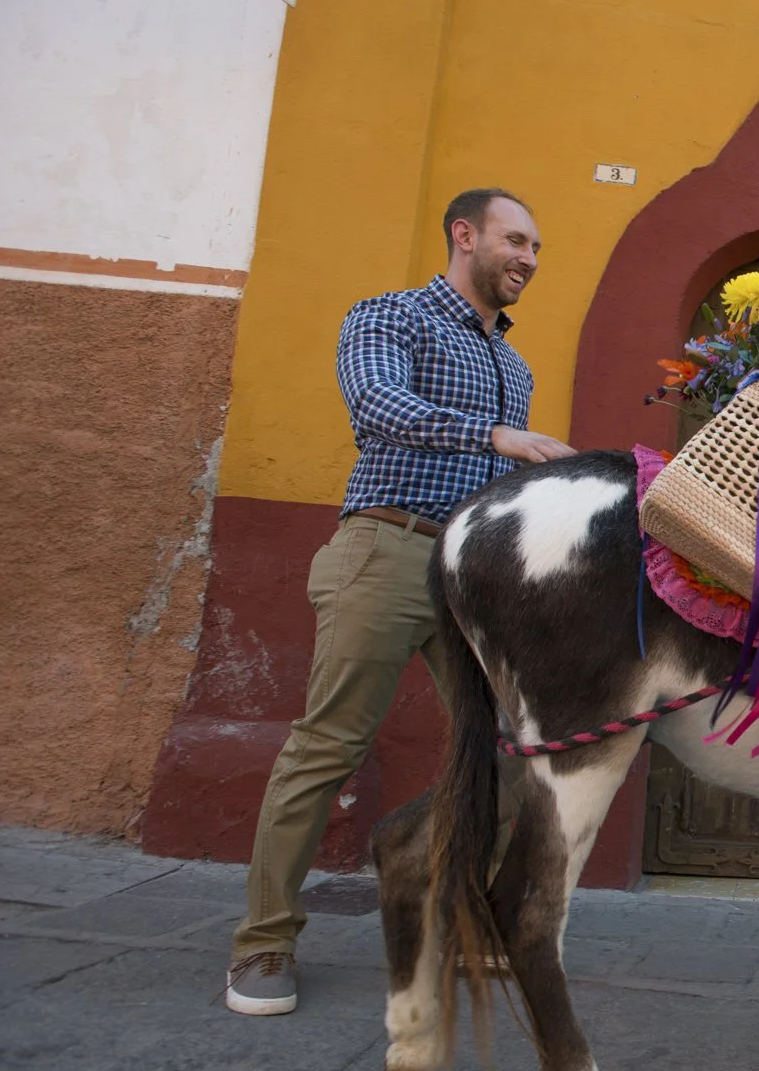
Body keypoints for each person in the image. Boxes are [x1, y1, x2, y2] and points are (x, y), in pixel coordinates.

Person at [225, 188, 574, 1016]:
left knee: (501, 755)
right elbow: (379, 410)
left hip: (472, 576)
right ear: (465, 235)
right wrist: (495, 437)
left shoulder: (512, 365)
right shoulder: (391, 316)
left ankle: (466, 923)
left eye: (536, 246)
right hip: (385, 548)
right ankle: (264, 944)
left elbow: (500, 476)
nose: (528, 257)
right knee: (328, 747)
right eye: (515, 239)